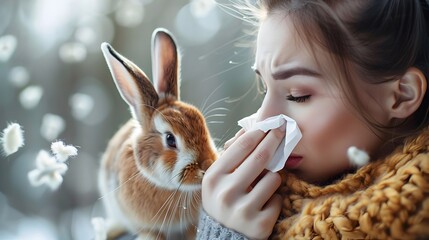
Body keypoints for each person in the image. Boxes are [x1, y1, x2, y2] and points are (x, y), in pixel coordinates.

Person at [197, 0, 429, 239]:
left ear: (401, 96)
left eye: (298, 95)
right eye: (264, 88)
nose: (263, 119)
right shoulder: (257, 206)